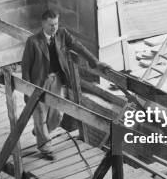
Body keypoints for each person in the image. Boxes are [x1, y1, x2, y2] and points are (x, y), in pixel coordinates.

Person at [21, 9, 109, 159]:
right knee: (40, 113)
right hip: (38, 83)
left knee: (57, 116)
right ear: (43, 24)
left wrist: (95, 62)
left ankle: (40, 131)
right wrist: (27, 90)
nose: (54, 28)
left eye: (56, 24)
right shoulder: (33, 41)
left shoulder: (62, 34)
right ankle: (45, 147)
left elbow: (78, 46)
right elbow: (26, 67)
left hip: (57, 81)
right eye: (50, 25)